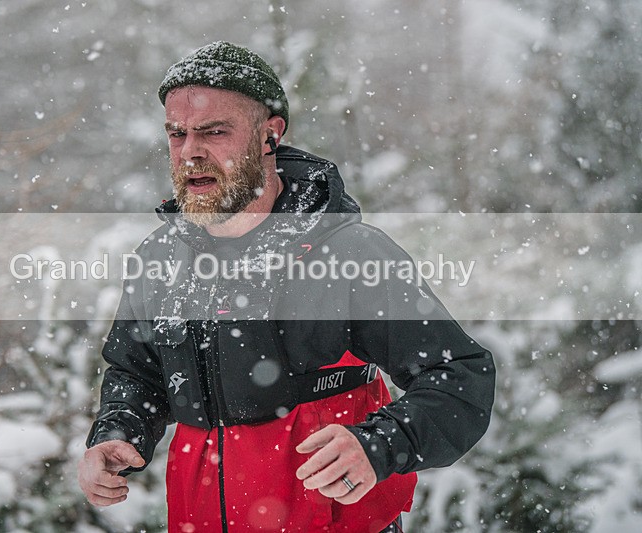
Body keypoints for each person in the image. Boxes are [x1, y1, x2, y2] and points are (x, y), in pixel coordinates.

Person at [78, 41, 495, 533]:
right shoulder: (161, 259)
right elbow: (137, 374)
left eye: (214, 132)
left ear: (268, 135)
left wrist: (378, 445)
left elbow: (460, 380)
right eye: (177, 134)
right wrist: (118, 431)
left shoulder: (347, 254)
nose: (191, 152)